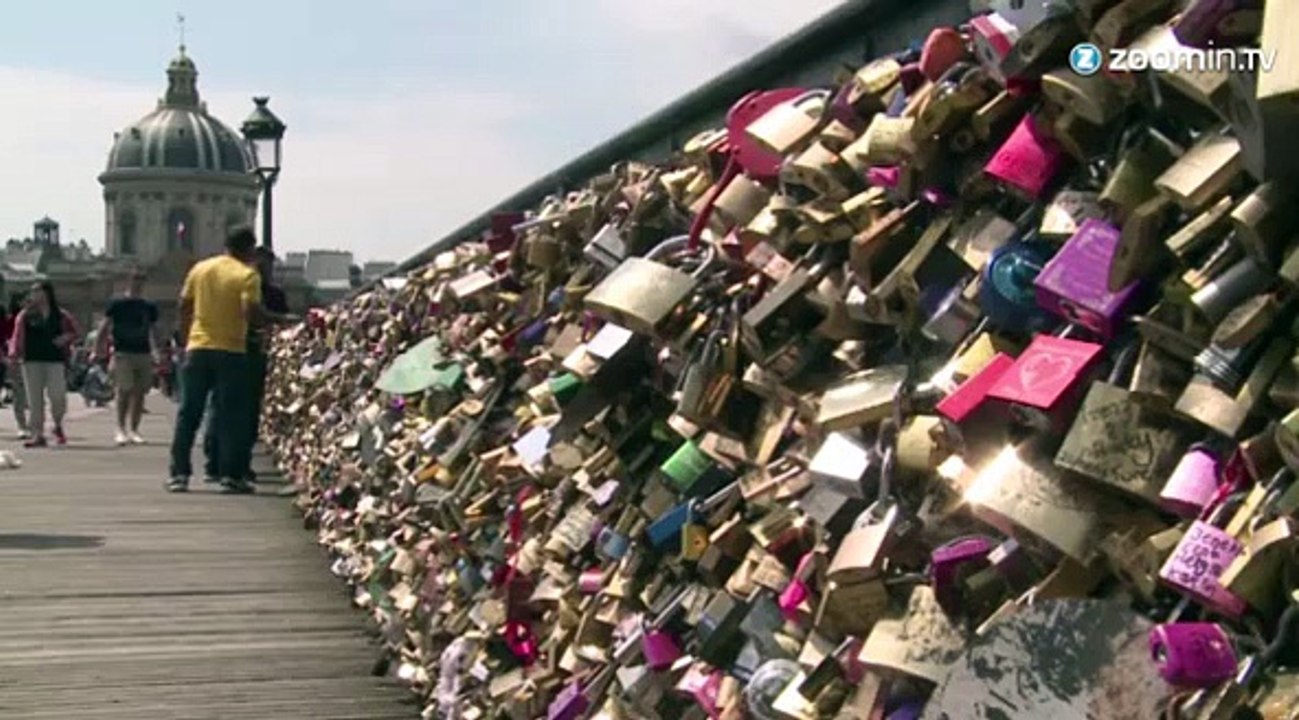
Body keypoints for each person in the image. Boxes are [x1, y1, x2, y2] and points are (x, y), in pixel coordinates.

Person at [168, 226, 267, 494]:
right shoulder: (247, 275)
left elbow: (184, 306)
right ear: (248, 249)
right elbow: (250, 312)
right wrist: (271, 322)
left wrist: (187, 337)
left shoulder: (200, 269)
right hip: (231, 351)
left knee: (188, 413)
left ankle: (179, 474)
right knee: (230, 416)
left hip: (198, 348)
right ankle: (231, 476)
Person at [203, 246, 292, 484]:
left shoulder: (233, 285)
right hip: (246, 352)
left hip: (232, 350)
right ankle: (233, 465)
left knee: (224, 407)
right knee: (243, 411)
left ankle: (220, 463)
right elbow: (264, 317)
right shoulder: (259, 290)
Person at [9, 281, 79, 447]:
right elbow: (16, 336)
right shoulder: (25, 315)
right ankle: (37, 434)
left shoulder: (61, 315)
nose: (33, 295)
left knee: (58, 396)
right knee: (35, 400)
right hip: (31, 360)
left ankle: (57, 423)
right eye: (32, 292)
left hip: (55, 360)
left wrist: (65, 338)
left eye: (37, 291)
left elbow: (75, 331)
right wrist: (13, 356)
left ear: (47, 293)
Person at [95, 272, 159, 446]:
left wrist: (155, 351)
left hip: (143, 352)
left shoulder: (149, 306)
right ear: (128, 281)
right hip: (122, 351)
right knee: (123, 390)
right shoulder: (117, 303)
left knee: (140, 393)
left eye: (141, 280)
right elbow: (105, 326)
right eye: (135, 280)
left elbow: (152, 330)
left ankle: (134, 429)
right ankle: (120, 428)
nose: (137, 283)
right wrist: (97, 348)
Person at [6, 294, 29, 438]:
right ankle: (22, 425)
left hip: (33, 359)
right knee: (19, 393)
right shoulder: (13, 319)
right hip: (17, 358)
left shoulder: (35, 318)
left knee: (27, 395)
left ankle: (30, 425)